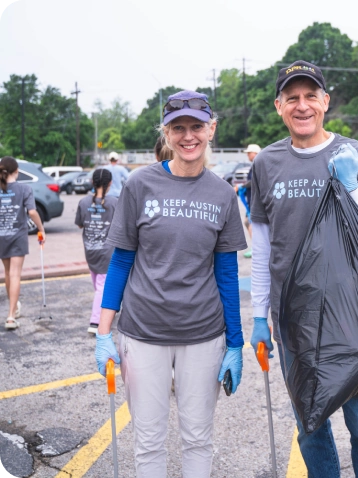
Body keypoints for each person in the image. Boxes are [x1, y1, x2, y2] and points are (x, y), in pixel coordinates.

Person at [94, 90, 247, 477]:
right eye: (178, 127)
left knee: (198, 438)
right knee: (148, 440)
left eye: (196, 126)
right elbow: (122, 261)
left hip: (204, 335)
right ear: (166, 133)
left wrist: (236, 342)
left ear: (211, 129)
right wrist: (103, 332)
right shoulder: (140, 185)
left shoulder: (222, 195)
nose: (188, 135)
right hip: (143, 333)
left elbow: (227, 273)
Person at [249, 61, 358, 478]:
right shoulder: (266, 164)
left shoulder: (356, 155)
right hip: (295, 320)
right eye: (292, 97)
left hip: (355, 316)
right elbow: (262, 249)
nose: (302, 105)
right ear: (279, 106)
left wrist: (348, 185)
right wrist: (259, 317)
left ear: (326, 102)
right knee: (310, 426)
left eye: (311, 96)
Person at [0, 156, 46, 329]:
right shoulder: (24, 189)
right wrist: (41, 229)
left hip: (1, 236)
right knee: (15, 274)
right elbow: (32, 212)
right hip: (17, 236)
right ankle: (11, 316)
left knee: (7, 273)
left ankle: (14, 308)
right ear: (16, 171)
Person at [75, 169, 117, 335]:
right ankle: (95, 321)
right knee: (101, 287)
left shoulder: (84, 202)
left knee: (98, 284)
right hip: (107, 251)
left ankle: (106, 309)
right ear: (110, 183)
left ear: (92, 182)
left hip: (90, 250)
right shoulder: (114, 202)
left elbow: (80, 224)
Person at [238, 144, 261, 258]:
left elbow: (254, 181)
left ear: (255, 153)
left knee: (251, 223)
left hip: (256, 200)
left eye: (249, 153)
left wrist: (241, 187)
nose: (247, 155)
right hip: (252, 199)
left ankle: (257, 248)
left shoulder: (258, 164)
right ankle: (256, 247)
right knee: (248, 222)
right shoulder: (255, 165)